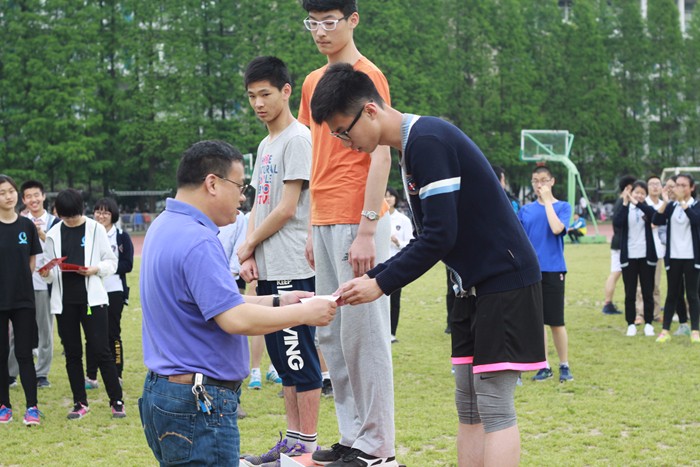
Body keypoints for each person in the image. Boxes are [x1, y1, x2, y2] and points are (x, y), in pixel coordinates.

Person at [313, 63, 546, 467]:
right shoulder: (410, 149)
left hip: (504, 282)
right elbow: (434, 236)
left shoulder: (428, 141)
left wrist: (380, 282)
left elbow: (441, 234)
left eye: (343, 131)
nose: (344, 142)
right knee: (468, 402)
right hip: (468, 287)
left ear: (369, 111)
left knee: (493, 405)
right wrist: (374, 277)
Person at [138, 140, 337, 466]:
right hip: (198, 403)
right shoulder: (198, 239)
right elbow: (233, 318)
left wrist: (278, 300)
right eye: (240, 186)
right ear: (212, 183)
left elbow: (211, 301)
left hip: (165, 393)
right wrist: (303, 313)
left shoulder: (164, 225)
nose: (244, 196)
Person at [298, 2, 396, 466]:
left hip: (357, 220)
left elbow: (381, 153)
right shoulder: (312, 83)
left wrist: (367, 228)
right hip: (321, 220)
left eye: (329, 21)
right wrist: (309, 224)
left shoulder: (368, 76)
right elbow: (311, 156)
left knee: (365, 335)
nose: (320, 31)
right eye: (312, 23)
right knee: (332, 335)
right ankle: (352, 436)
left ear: (352, 20)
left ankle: (377, 446)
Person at [236, 56, 322, 464]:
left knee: (298, 359)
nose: (258, 103)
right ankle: (291, 442)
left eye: (265, 94)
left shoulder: (298, 139)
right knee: (282, 363)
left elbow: (288, 207)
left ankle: (306, 447)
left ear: (286, 91)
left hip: (293, 268)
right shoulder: (265, 144)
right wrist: (249, 250)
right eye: (252, 96)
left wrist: (250, 240)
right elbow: (259, 202)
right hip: (269, 268)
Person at [40, 188, 125, 420]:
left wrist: (95, 269)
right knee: (72, 354)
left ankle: (116, 401)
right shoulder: (53, 234)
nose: (70, 220)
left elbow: (111, 262)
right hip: (64, 302)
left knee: (101, 350)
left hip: (93, 300)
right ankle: (80, 402)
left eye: (73, 216)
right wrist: (46, 271)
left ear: (81, 210)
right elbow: (46, 271)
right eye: (65, 217)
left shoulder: (95, 229)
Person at [518, 166, 574, 383]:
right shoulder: (526, 210)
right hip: (531, 271)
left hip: (554, 270)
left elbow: (557, 229)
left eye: (543, 180)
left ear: (552, 182)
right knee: (536, 321)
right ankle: (544, 365)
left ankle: (564, 364)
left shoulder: (563, 207)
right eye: (535, 181)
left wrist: (548, 201)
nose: (539, 184)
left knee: (556, 322)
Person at [7, 180, 58, 389]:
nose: (33, 200)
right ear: (23, 199)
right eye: (28, 196)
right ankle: (10, 373)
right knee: (17, 333)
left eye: (36, 195)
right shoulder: (18, 221)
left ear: (43, 196)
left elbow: (58, 251)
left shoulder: (55, 223)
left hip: (44, 284)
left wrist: (41, 234)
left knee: (45, 331)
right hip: (21, 286)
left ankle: (41, 373)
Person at [0, 174, 42, 426]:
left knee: (25, 354)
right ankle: (4, 405)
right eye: (2, 192)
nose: (8, 196)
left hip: (24, 299)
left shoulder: (26, 226)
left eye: (11, 191)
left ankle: (32, 407)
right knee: (1, 354)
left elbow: (31, 261)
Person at [85, 198, 134, 388]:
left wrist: (101, 268)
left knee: (112, 333)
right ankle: (91, 376)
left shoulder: (121, 236)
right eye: (98, 211)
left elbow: (127, 264)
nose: (101, 216)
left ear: (113, 215)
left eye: (106, 213)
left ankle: (117, 374)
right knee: (91, 334)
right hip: (91, 292)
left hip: (114, 291)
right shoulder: (88, 234)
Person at [652, 173, 700, 343]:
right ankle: (665, 330)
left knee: (692, 294)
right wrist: (665, 201)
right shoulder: (671, 206)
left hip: (692, 257)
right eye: (677, 185)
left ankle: (695, 330)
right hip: (673, 257)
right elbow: (656, 219)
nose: (678, 188)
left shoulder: (696, 205)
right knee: (672, 293)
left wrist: (682, 202)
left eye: (683, 185)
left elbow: (696, 220)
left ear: (691, 188)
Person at [613, 182, 658, 337]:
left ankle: (648, 324)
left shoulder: (646, 208)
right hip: (629, 257)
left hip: (646, 256)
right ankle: (631, 323)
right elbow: (617, 223)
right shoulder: (625, 208)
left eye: (642, 193)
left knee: (648, 292)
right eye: (636, 192)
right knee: (630, 293)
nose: (639, 195)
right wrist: (626, 202)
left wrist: (637, 203)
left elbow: (655, 215)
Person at [601, 175, 636, 315]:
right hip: (621, 243)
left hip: (618, 242)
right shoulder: (623, 202)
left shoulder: (619, 201)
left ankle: (608, 303)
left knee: (615, 273)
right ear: (628, 188)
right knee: (615, 273)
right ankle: (607, 303)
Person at [385, 187, 413, 343]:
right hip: (379, 263)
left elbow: (410, 243)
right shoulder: (376, 218)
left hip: (396, 263)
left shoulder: (403, 220)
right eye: (385, 196)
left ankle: (391, 332)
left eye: (390, 196)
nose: (388, 199)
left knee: (394, 300)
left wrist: (398, 242)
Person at [634, 176, 664, 324]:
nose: (654, 187)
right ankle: (640, 313)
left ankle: (656, 313)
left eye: (657, 184)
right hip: (644, 250)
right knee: (642, 285)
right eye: (651, 184)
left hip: (660, 250)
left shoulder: (664, 204)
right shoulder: (642, 205)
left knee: (656, 285)